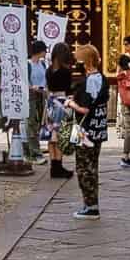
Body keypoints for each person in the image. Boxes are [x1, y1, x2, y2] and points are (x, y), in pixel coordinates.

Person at [65, 43, 110, 218]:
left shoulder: (87, 82)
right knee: (93, 166)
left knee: (83, 167)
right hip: (98, 128)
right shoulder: (102, 79)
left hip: (84, 130)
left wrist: (70, 103)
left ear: (86, 62)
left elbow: (84, 108)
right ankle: (92, 203)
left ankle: (90, 206)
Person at [43, 41, 75, 180]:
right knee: (60, 135)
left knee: (52, 136)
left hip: (51, 103)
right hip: (62, 103)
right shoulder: (66, 72)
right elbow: (69, 90)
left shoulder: (49, 70)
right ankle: (59, 166)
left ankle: (53, 166)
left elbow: (48, 88)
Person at [25, 40, 48, 162]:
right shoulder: (28, 64)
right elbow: (25, 82)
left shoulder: (43, 64)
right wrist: (33, 87)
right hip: (31, 96)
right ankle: (35, 153)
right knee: (31, 124)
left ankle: (34, 149)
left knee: (40, 124)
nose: (45, 53)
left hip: (42, 96)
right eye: (44, 50)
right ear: (39, 51)